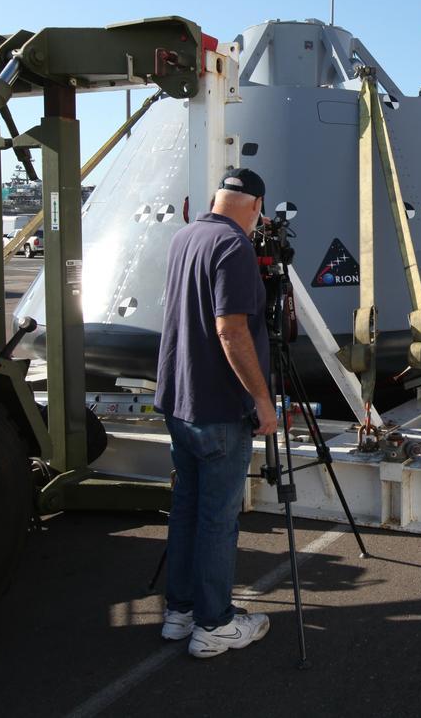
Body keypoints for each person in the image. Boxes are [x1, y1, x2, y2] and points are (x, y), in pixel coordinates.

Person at [154, 168, 278, 658]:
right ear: (256, 206)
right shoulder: (234, 246)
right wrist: (262, 399)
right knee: (217, 520)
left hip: (178, 399)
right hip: (219, 407)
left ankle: (180, 612)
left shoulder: (185, 237)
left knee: (186, 509)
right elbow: (231, 330)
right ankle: (214, 625)